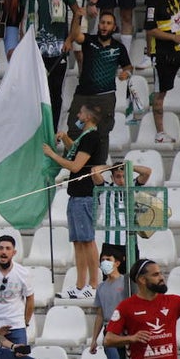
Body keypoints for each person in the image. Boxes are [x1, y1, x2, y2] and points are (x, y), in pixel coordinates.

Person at [43, 103, 106, 297]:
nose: (78, 116)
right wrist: (66, 139)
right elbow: (75, 151)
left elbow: (76, 166)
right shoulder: (85, 137)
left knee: (87, 240)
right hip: (77, 195)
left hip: (85, 195)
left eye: (80, 113)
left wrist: (53, 155)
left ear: (87, 117)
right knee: (78, 241)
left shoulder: (91, 137)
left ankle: (94, 284)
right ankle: (80, 286)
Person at [22, 0, 80, 132]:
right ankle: (37, 129)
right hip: (36, 49)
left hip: (58, 49)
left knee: (55, 92)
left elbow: (77, 12)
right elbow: (24, 18)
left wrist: (70, 39)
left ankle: (53, 131)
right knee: (37, 93)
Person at [66, 11, 130, 142]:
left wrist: (126, 73)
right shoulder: (89, 40)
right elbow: (75, 36)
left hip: (105, 98)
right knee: (74, 130)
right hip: (83, 96)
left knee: (101, 133)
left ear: (114, 27)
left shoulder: (119, 47)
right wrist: (77, 17)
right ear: (98, 25)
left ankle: (98, 162)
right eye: (102, 23)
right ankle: (71, 161)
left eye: (108, 23)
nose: (105, 26)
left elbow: (128, 66)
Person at [146, 0, 180, 144]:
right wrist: (172, 38)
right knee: (160, 94)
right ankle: (160, 132)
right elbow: (150, 30)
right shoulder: (153, 2)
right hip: (162, 54)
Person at [0, 235, 35, 343]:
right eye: (1, 248)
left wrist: (25, 322)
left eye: (8, 248)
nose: (4, 251)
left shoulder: (23, 273)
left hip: (15, 326)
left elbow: (30, 300)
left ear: (14, 252)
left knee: (20, 358)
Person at [89, 246, 127, 359]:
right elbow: (100, 314)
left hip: (125, 327)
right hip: (109, 326)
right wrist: (94, 339)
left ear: (117, 263)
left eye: (108, 259)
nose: (105, 262)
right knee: (109, 346)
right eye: (103, 260)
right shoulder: (101, 287)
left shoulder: (126, 282)